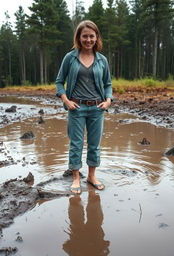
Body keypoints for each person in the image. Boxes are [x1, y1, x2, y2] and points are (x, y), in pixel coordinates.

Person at [56, 20, 113, 194]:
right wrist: (66, 100)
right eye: (85, 36)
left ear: (96, 37)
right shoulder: (70, 57)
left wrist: (109, 100)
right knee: (76, 144)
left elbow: (108, 84)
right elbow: (59, 82)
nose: (88, 39)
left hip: (97, 108)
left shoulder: (102, 60)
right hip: (76, 108)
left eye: (91, 36)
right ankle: (75, 178)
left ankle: (91, 176)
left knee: (95, 145)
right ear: (79, 38)